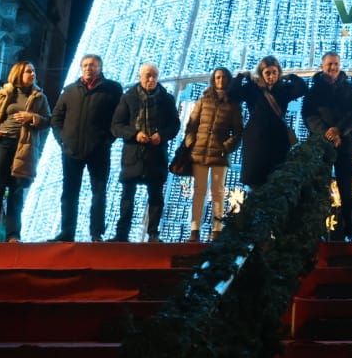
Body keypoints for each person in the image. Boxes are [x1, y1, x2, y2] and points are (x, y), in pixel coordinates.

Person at [0, 60, 50, 242]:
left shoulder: (39, 97)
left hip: (24, 147)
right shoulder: (2, 94)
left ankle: (13, 235)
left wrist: (33, 118)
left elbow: (48, 120)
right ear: (18, 74)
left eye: (34, 71)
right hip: (1, 143)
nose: (33, 74)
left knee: (16, 191)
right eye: (29, 71)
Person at [49, 53, 123, 242]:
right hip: (71, 151)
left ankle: (96, 233)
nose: (89, 68)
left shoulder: (112, 90)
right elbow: (56, 118)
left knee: (98, 192)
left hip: (99, 150)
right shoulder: (70, 90)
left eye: (93, 65)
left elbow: (119, 118)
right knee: (69, 193)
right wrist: (62, 141)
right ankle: (67, 232)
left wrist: (108, 140)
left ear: (100, 67)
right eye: (85, 65)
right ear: (81, 68)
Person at [110, 63, 180, 243]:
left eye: (155, 76)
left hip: (156, 155)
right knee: (127, 196)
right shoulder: (128, 98)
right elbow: (116, 126)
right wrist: (135, 134)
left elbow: (174, 125)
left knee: (156, 196)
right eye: (148, 75)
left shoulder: (166, 99)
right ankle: (122, 234)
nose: (152, 79)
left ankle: (153, 233)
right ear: (141, 77)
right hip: (133, 155)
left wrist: (161, 135)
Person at [303, 51, 352, 241]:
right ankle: (319, 230)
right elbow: (309, 116)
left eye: (336, 63)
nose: (333, 67)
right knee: (320, 188)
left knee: (346, 189)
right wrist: (326, 133)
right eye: (329, 64)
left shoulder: (350, 88)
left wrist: (339, 130)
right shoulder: (313, 91)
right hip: (321, 146)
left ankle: (349, 231)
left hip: (345, 145)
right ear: (322, 66)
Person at [182, 67, 242, 242]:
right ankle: (194, 230)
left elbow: (238, 131)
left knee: (218, 192)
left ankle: (217, 229)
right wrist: (191, 142)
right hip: (199, 152)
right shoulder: (203, 101)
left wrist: (226, 147)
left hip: (219, 154)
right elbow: (192, 124)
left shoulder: (233, 105)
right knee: (199, 191)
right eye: (217, 77)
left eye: (223, 77)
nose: (220, 80)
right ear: (213, 80)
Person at [234, 55, 308, 189]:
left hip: (277, 140)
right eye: (267, 73)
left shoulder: (283, 89)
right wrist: (241, 77)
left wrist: (290, 77)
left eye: (275, 72)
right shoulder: (252, 89)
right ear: (261, 73)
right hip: (256, 141)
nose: (271, 76)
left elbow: (302, 88)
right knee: (256, 183)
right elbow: (233, 93)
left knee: (277, 181)